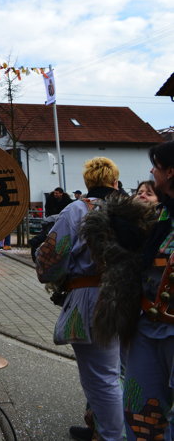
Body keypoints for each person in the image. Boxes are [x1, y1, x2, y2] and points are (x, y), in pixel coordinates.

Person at [35, 157, 125, 441]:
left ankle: (112, 435)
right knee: (119, 371)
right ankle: (101, 429)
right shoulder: (130, 210)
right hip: (128, 297)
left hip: (90, 298)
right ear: (114, 181)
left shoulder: (77, 209)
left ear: (87, 182)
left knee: (100, 377)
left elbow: (52, 257)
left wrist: (49, 272)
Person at [121, 142, 174, 440]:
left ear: (170, 171)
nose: (151, 171)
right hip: (147, 324)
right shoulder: (162, 214)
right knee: (139, 409)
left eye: (156, 165)